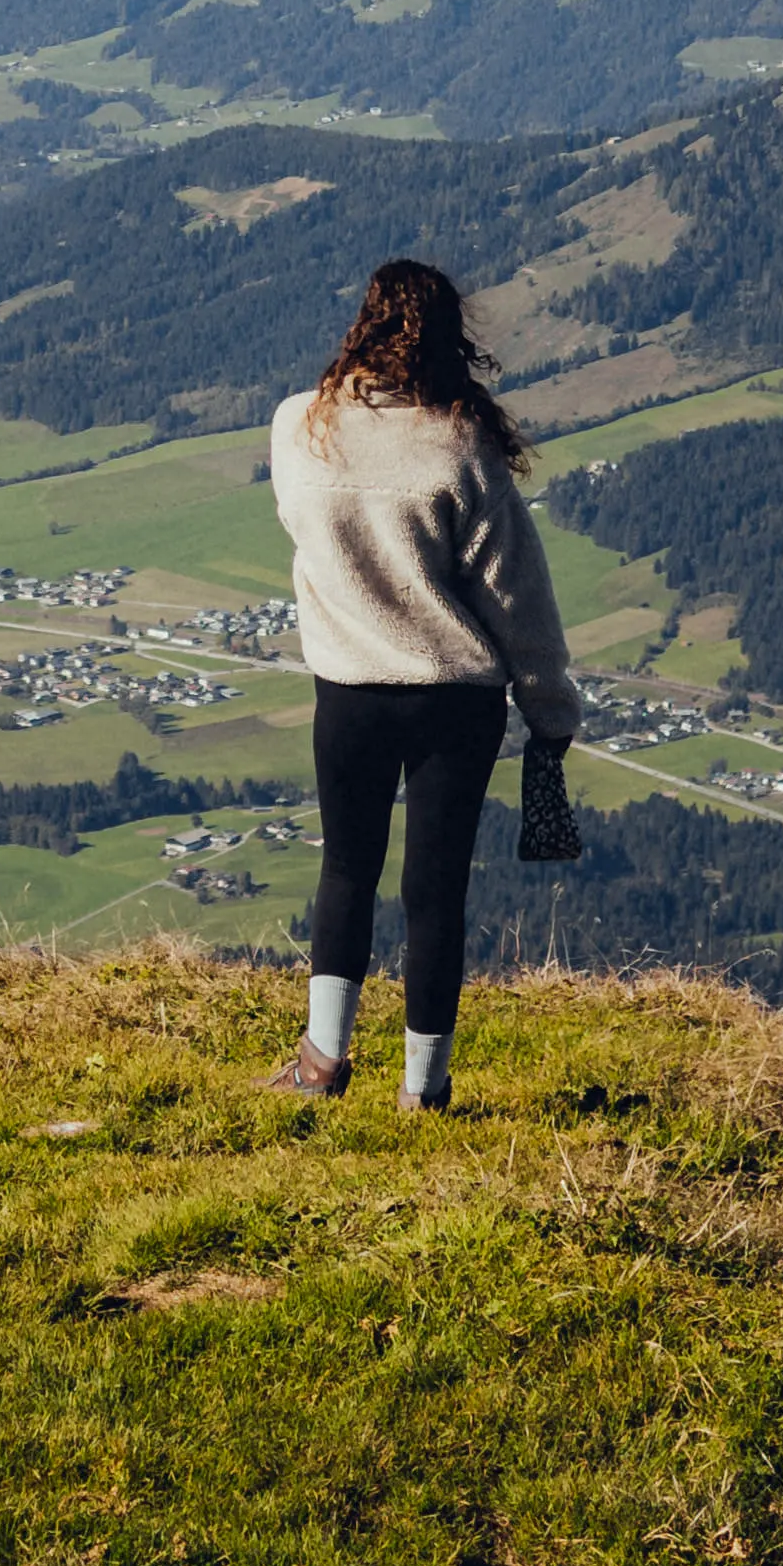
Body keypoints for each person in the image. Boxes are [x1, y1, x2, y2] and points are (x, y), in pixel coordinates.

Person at [263, 252, 581, 1110]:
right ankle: (423, 1091)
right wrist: (551, 711)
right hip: (455, 700)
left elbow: (302, 523)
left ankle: (321, 1064)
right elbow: (520, 598)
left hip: (349, 692)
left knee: (345, 873)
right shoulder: (463, 443)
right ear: (449, 339)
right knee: (435, 894)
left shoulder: (299, 426)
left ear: (362, 324)